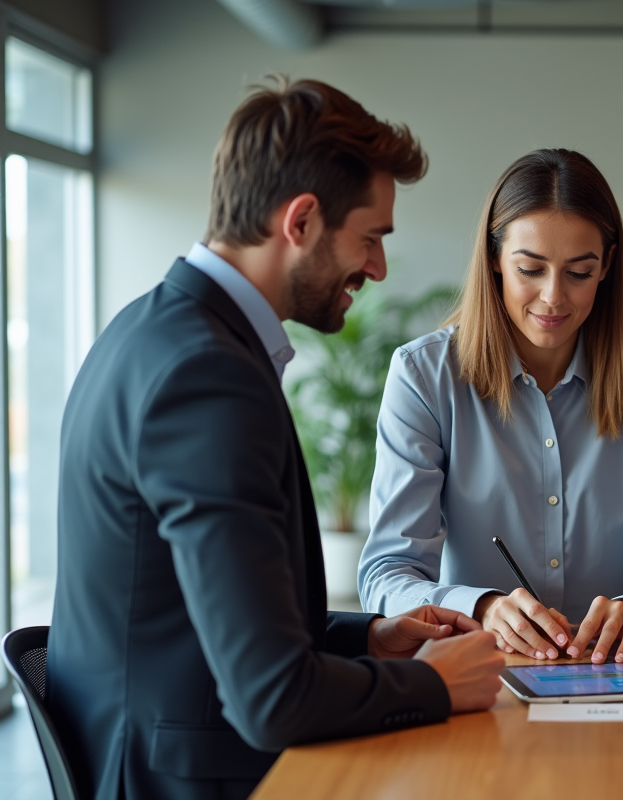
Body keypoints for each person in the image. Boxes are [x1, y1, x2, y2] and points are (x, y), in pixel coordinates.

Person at [46, 78, 505, 800]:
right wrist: (432, 683)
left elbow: (213, 617)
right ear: (302, 221)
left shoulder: (150, 329)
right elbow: (270, 698)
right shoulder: (207, 378)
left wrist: (370, 639)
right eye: (371, 237)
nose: (379, 269)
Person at [360, 148, 623, 665]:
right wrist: (481, 607)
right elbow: (387, 573)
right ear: (494, 260)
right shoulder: (424, 375)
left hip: (619, 670)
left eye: (578, 272)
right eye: (530, 269)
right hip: (479, 670)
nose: (554, 297)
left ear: (606, 265)